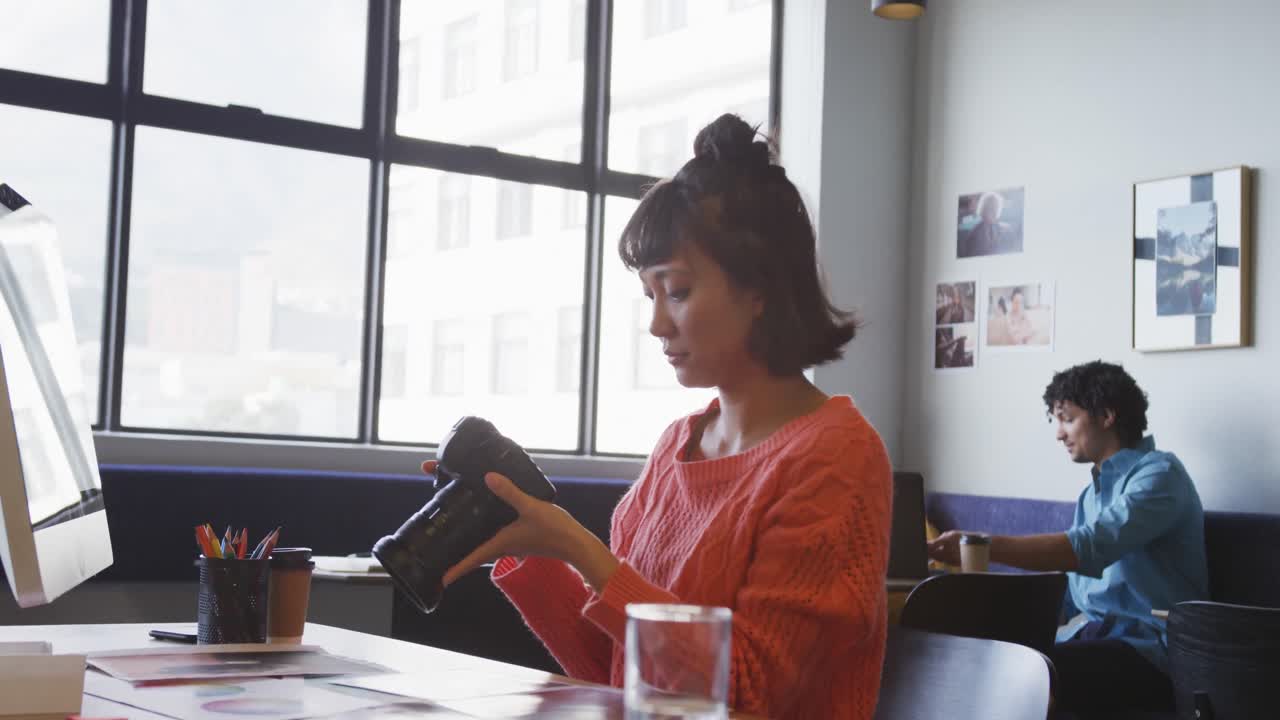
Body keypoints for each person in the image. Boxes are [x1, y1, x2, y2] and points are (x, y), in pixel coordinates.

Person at [423, 114, 893, 720]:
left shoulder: (834, 455)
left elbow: (749, 695)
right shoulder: (678, 445)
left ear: (761, 290)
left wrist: (584, 550)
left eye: (676, 291)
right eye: (650, 296)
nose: (656, 324)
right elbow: (620, 674)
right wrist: (537, 542)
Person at [927, 361, 1208, 716]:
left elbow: (1089, 547)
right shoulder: (1090, 496)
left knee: (1030, 674)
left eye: (1067, 418)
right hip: (1096, 640)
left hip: (1153, 651)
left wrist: (982, 545)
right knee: (979, 658)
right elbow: (1070, 597)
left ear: (1106, 415)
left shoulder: (1160, 476)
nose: (1059, 433)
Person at [959, 191, 1017, 257]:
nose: (992, 210)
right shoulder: (973, 234)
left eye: (995, 207)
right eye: (989, 207)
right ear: (982, 209)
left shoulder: (1007, 230)